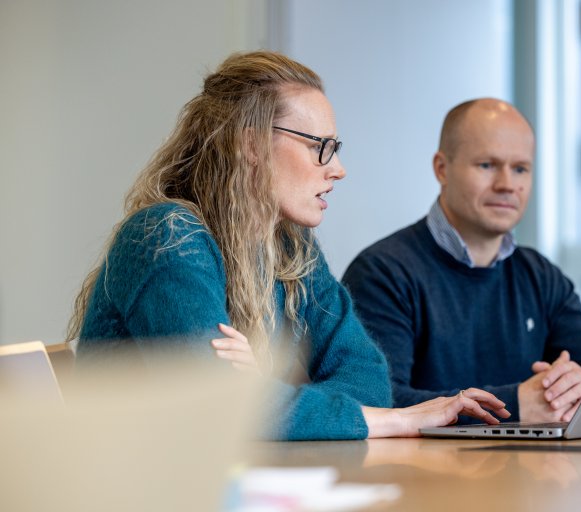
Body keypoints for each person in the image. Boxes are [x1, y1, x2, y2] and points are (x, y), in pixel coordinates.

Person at [67, 52, 510, 441]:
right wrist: (392, 421)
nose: (338, 169)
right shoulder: (167, 236)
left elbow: (370, 380)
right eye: (321, 147)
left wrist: (265, 393)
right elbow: (219, 410)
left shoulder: (291, 248)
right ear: (252, 143)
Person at [342, 98, 581, 424]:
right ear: (442, 169)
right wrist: (517, 404)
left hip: (530, 471)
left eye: (520, 169)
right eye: (487, 165)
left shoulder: (540, 276)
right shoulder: (382, 272)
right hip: (422, 472)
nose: (507, 184)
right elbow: (378, 401)